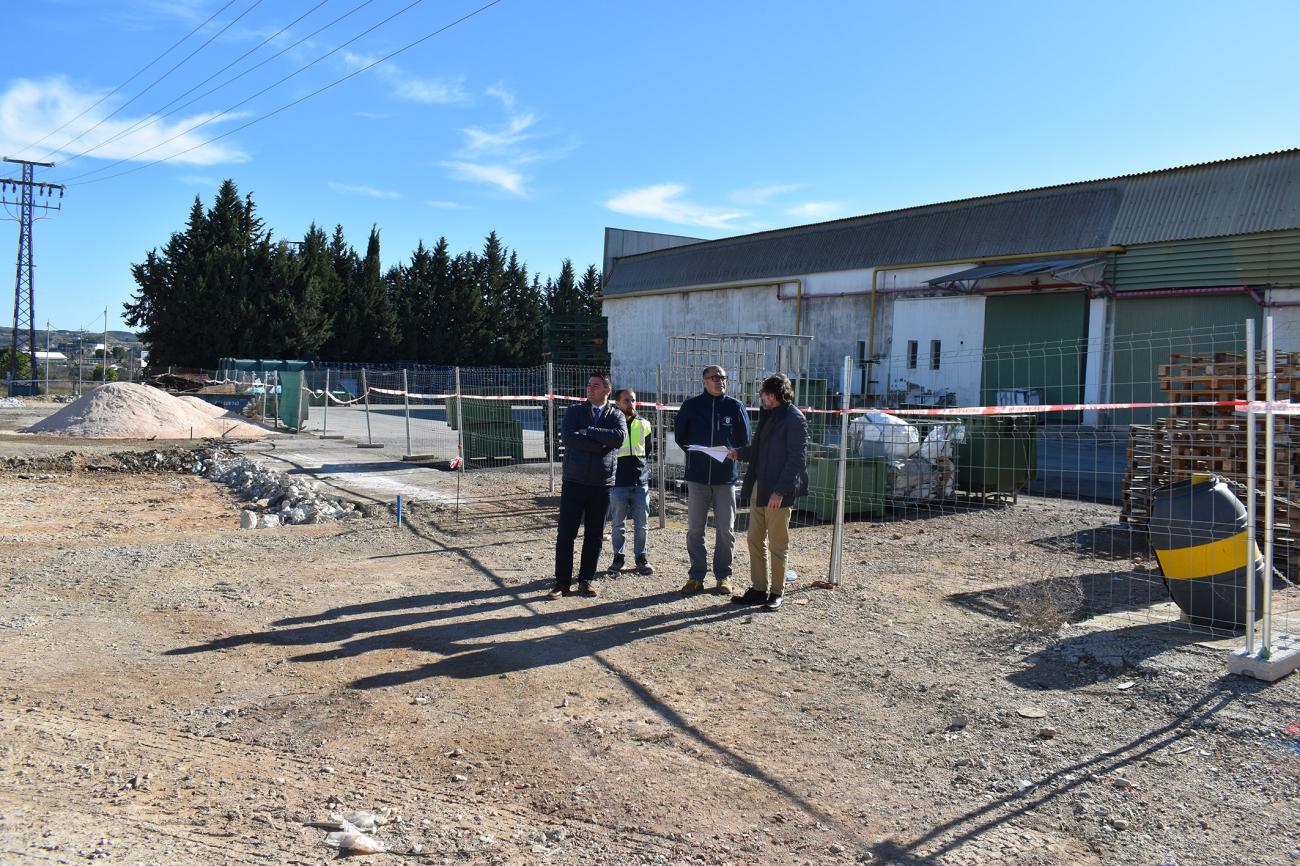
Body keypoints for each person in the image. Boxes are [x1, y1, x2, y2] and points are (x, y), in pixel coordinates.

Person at [729, 373, 808, 611]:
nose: (760, 397)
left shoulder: (794, 419)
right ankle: (759, 588)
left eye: (762, 393)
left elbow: (797, 460)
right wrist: (740, 453)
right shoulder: (769, 415)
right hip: (759, 487)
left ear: (771, 395)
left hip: (777, 493)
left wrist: (780, 492)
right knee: (754, 539)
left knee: (777, 544)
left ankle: (776, 592)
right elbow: (761, 449)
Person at [674, 364, 751, 596]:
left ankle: (724, 576)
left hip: (725, 478)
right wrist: (697, 452)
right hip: (697, 477)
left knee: (725, 530)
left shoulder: (735, 407)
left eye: (723, 378)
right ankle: (696, 576)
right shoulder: (691, 406)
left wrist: (731, 451)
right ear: (704, 381)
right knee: (695, 530)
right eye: (714, 378)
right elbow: (680, 436)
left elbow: (745, 441)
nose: (720, 381)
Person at [550, 373, 627, 599]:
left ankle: (586, 580)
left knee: (594, 535)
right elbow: (568, 438)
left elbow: (619, 438)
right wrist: (601, 445)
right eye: (589, 386)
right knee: (566, 533)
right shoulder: (575, 412)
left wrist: (589, 432)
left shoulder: (616, 415)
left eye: (596, 386)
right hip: (574, 480)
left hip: (601, 484)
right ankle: (562, 582)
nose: (590, 389)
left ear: (607, 390)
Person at [605, 388, 655, 576]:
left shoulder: (645, 424)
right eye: (626, 400)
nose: (631, 404)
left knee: (642, 523)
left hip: (640, 482)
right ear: (616, 403)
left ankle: (641, 558)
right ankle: (619, 559)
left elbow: (647, 450)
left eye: (633, 400)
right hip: (618, 483)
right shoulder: (612, 425)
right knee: (618, 523)